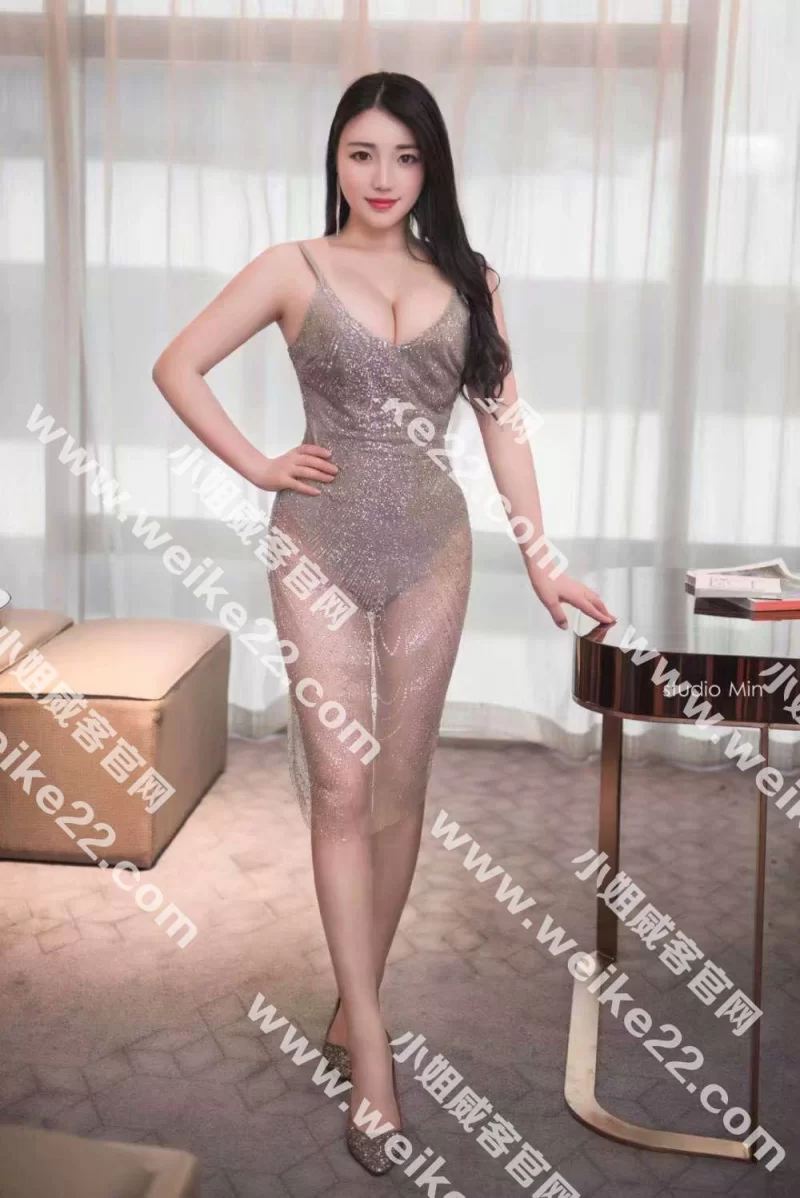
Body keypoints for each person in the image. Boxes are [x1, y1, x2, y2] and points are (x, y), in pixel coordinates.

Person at [153, 70, 615, 1176]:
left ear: (430, 167)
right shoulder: (292, 266)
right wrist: (258, 463)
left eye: (404, 157)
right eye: (362, 152)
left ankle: (352, 996)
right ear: (335, 157)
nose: (382, 176)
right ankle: (372, 1052)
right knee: (343, 785)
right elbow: (177, 364)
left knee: (401, 790)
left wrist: (541, 555)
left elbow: (501, 425)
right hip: (314, 543)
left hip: (432, 550)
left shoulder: (470, 278)